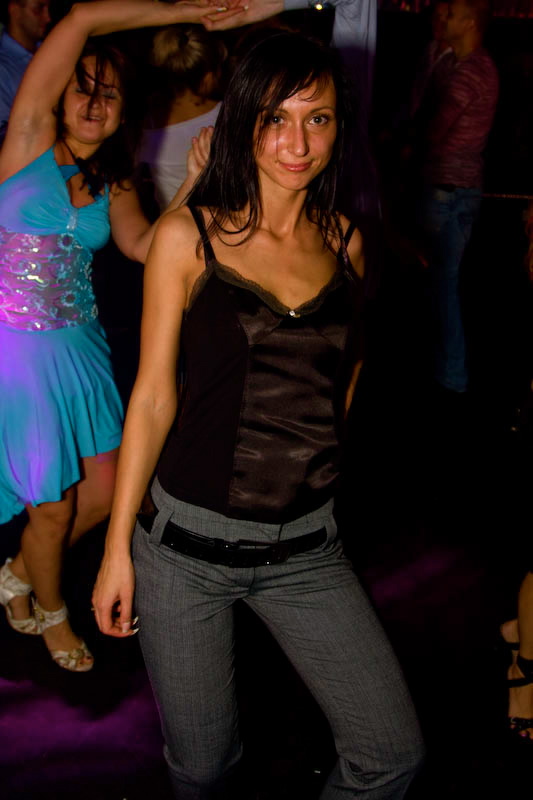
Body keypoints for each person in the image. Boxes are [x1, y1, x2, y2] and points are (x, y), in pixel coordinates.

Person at [93, 31, 424, 799]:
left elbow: (342, 380)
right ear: (243, 121)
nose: (296, 143)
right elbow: (152, 396)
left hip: (307, 548)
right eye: (276, 118)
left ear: (339, 128)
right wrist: (116, 550)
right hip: (185, 555)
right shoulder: (189, 237)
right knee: (204, 768)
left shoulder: (346, 243)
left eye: (318, 118)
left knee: (390, 754)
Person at [0, 0, 242, 672]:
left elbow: (144, 246)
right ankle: (53, 613)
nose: (94, 102)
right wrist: (182, 10)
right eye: (83, 87)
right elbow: (80, 19)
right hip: (15, 353)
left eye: (109, 95)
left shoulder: (116, 178)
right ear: (57, 94)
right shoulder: (24, 142)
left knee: (107, 494)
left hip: (82, 350)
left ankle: (18, 572)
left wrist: (192, 184)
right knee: (52, 510)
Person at [417, 0, 499, 395]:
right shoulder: (456, 62)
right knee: (441, 284)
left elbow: (436, 127)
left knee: (442, 286)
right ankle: (445, 374)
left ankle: (450, 377)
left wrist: (403, 151)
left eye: (451, 14)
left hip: (449, 191)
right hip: (455, 189)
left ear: (470, 22)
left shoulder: (472, 72)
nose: (443, 17)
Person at [138, 23, 226, 211]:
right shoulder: (227, 116)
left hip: (168, 223)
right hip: (219, 221)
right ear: (208, 77)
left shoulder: (145, 122)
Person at [0, 0, 51, 144]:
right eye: (38, 9)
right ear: (14, 10)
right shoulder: (4, 69)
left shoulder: (52, 50)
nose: (48, 18)